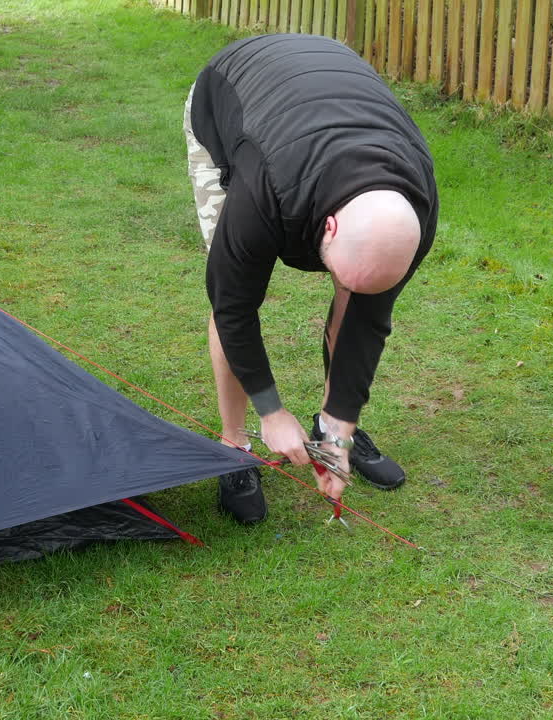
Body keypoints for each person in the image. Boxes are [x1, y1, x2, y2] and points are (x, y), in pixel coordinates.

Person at [183, 33, 439, 524]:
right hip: (232, 95)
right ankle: (237, 445)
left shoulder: (412, 213)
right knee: (231, 287)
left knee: (360, 300)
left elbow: (368, 321)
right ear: (329, 225)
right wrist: (271, 410)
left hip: (326, 102)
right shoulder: (262, 191)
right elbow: (232, 307)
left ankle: (331, 431)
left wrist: (340, 422)